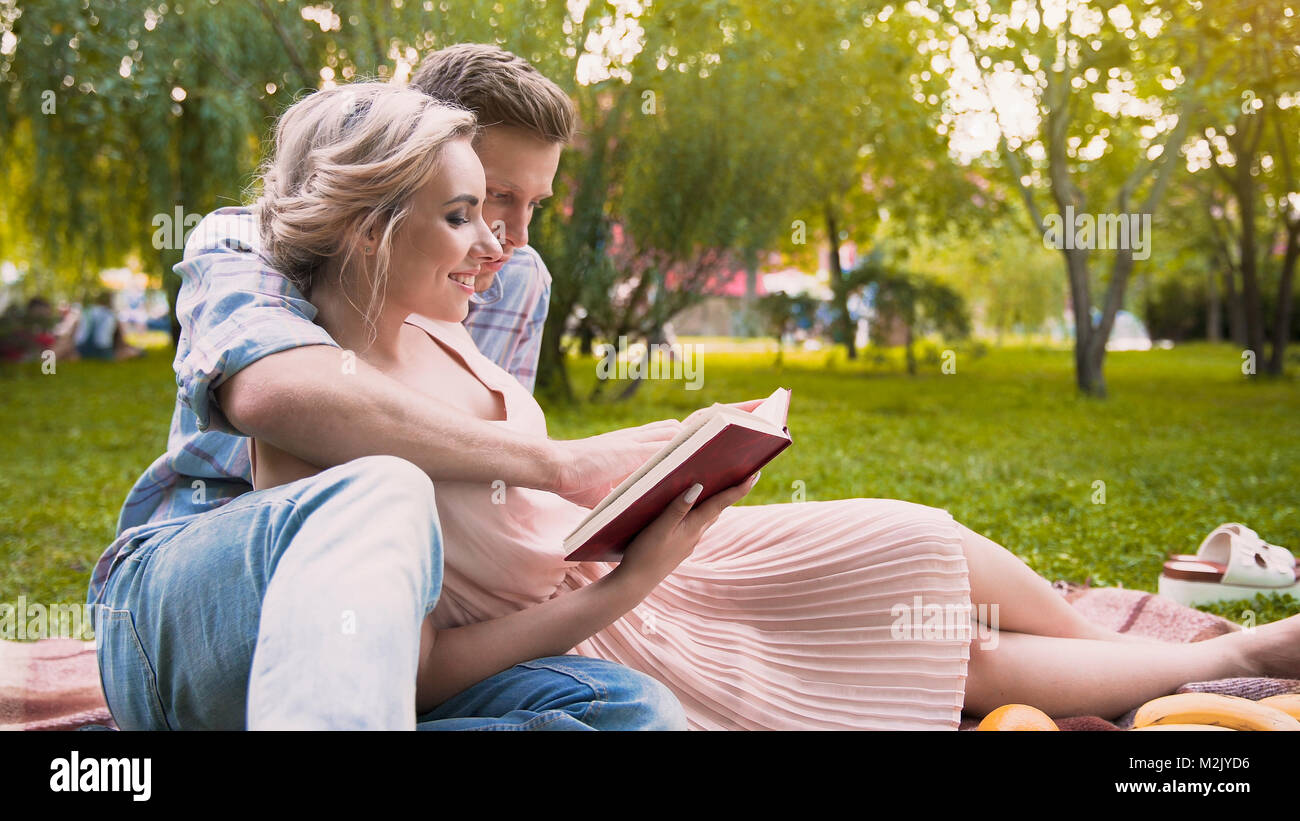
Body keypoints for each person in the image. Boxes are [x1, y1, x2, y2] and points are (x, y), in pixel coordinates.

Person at [249, 83, 1300, 731]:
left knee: (911, 539)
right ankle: (1229, 659)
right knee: (938, 651)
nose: (499, 244)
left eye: (499, 208)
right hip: (594, 628)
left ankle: (1114, 664)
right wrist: (630, 581)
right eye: (465, 215)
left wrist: (658, 488)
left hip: (629, 563)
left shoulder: (436, 319)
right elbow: (424, 669)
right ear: (370, 225)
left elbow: (518, 487)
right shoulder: (313, 426)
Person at [87, 49, 689, 730]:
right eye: (482, 202)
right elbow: (275, 394)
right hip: (212, 574)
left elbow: (482, 500)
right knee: (382, 492)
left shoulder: (502, 283)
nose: (505, 239)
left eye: (532, 206)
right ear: (382, 197)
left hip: (412, 612)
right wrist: (567, 467)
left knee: (632, 709)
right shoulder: (251, 241)